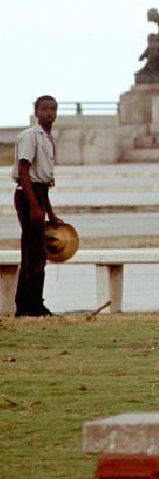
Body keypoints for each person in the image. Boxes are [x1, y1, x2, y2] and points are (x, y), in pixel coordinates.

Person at [12, 95, 63, 317]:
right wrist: (34, 207)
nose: (49, 113)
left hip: (39, 193)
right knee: (31, 252)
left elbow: (44, 182)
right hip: (27, 194)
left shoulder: (48, 139)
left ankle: (36, 303)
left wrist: (50, 213)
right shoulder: (31, 136)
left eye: (53, 109)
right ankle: (25, 305)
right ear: (36, 111)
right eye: (44, 109)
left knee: (39, 252)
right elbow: (25, 171)